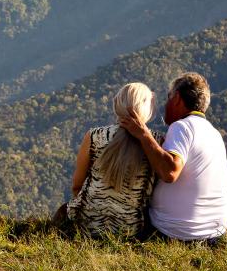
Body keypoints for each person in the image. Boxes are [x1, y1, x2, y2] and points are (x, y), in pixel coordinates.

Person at [119, 72, 227, 241]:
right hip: (215, 231)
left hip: (175, 231)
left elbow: (169, 172)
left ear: (177, 98)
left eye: (168, 97)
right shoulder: (213, 133)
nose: (166, 104)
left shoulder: (182, 127)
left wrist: (143, 135)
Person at [59, 82, 164, 237]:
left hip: (86, 226)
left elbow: (77, 185)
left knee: (62, 210)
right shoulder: (156, 143)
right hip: (130, 230)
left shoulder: (94, 137)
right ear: (149, 109)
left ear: (116, 104)